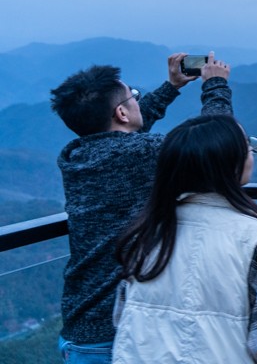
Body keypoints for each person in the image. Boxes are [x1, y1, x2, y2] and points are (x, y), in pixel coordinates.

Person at [49, 52, 233, 363]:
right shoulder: (139, 153)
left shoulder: (77, 155)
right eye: (134, 95)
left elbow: (122, 132)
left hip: (79, 330)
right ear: (121, 112)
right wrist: (215, 85)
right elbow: (218, 142)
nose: (138, 98)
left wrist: (171, 87)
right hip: (118, 335)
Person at [111, 114, 257, 363]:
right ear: (231, 163)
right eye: (246, 146)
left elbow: (123, 321)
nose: (251, 152)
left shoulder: (145, 233)